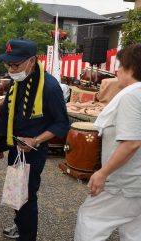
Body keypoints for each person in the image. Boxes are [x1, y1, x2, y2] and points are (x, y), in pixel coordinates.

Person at [0, 39, 69, 241]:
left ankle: (27, 236)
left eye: (15, 64)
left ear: (32, 61)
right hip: (14, 146)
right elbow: (10, 110)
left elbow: (62, 123)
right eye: (8, 64)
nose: (10, 69)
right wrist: (0, 142)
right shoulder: (17, 79)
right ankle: (20, 225)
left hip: (33, 150)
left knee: (26, 197)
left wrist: (35, 140)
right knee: (15, 192)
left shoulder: (50, 87)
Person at [74, 44, 141, 241]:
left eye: (120, 65)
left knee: (90, 220)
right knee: (134, 231)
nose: (117, 70)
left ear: (132, 68)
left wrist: (103, 172)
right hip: (135, 182)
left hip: (125, 182)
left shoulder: (132, 95)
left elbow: (131, 142)